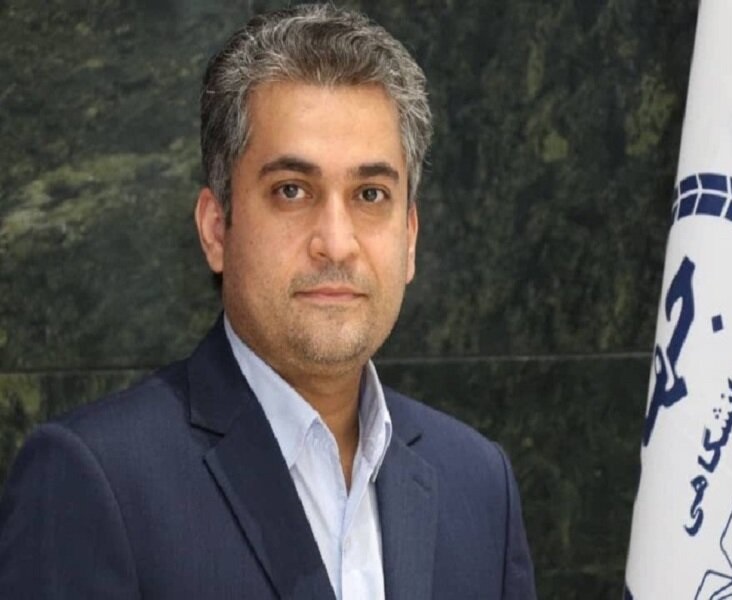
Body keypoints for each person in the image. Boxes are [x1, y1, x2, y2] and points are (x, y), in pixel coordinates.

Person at [0, 4, 536, 599]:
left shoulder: (478, 484)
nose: (336, 242)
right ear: (216, 229)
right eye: (291, 190)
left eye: (370, 194)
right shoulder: (94, 480)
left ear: (409, 238)